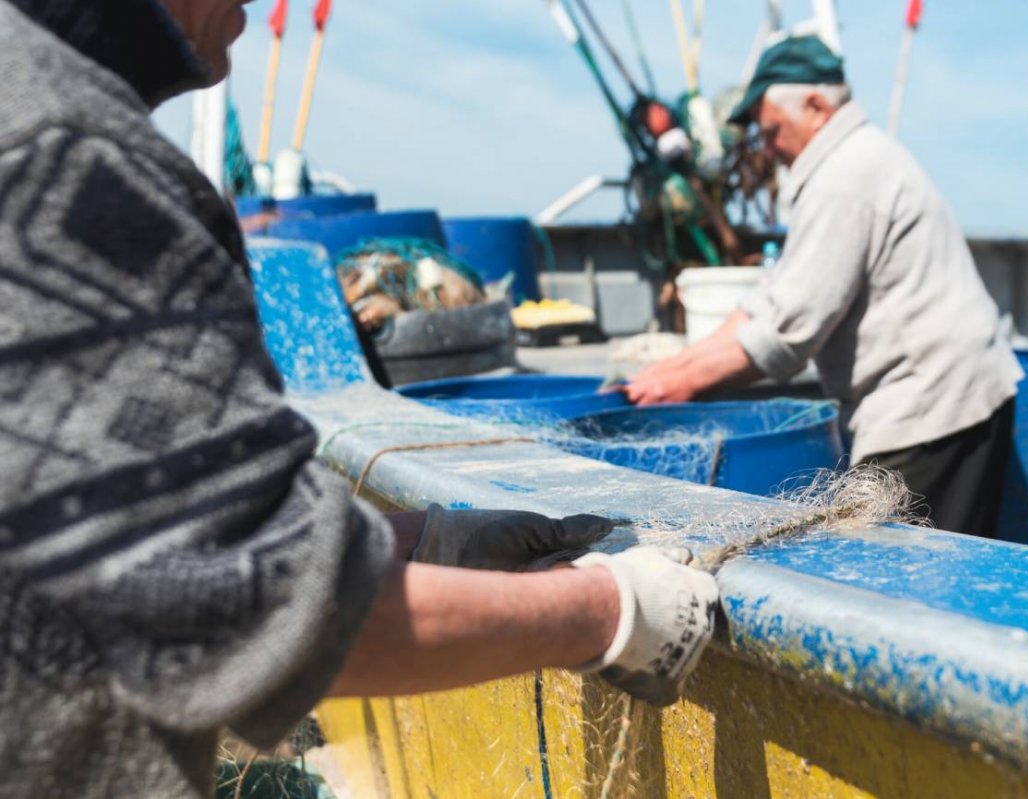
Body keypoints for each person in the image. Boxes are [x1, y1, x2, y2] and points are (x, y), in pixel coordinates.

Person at [0, 1, 718, 796]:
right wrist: (609, 609)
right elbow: (247, 604)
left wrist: (412, 540)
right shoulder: (70, 159)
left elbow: (94, 523)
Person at [625, 36, 1024, 538]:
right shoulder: (849, 163)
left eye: (770, 130)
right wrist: (676, 366)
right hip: (939, 392)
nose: (766, 148)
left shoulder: (846, 177)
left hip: (931, 407)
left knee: (899, 583)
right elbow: (770, 300)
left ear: (815, 105)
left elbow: (791, 332)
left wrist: (686, 383)